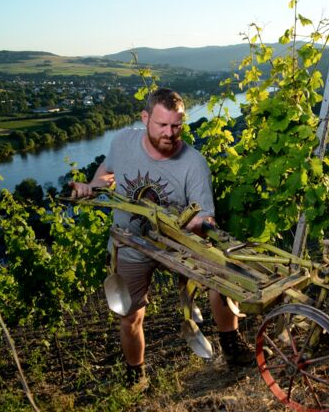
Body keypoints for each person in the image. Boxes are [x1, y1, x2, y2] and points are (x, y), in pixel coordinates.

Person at [70, 88, 253, 387]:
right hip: (130, 243)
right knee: (130, 317)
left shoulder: (194, 163)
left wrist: (199, 223)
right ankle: (136, 375)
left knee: (221, 279)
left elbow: (206, 217)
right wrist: (92, 185)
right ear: (145, 119)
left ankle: (231, 345)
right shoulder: (123, 142)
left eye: (176, 126)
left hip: (177, 243)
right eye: (162, 125)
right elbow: (106, 171)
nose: (170, 133)